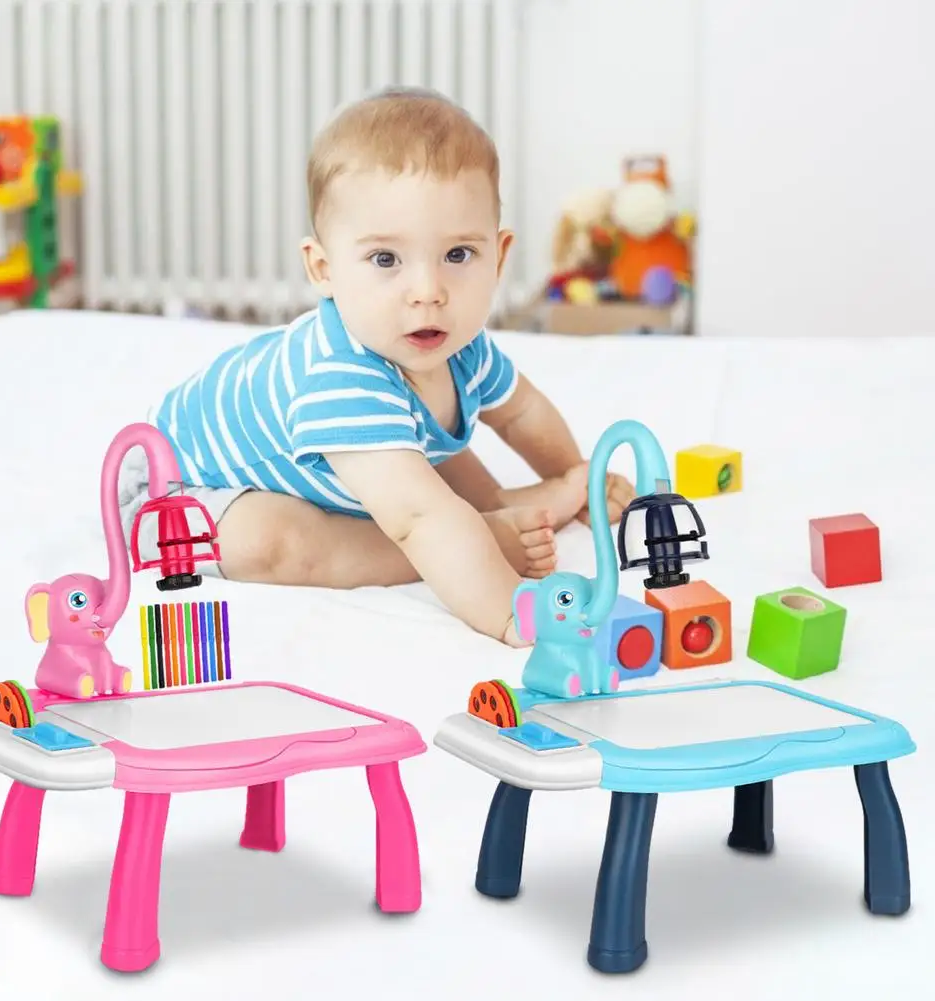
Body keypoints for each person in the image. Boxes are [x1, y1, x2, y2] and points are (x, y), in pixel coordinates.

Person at [120, 87, 634, 647]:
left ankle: (490, 508)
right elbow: (419, 520)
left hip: (341, 461)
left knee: (423, 430)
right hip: (177, 493)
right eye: (385, 259)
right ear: (324, 269)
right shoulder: (341, 378)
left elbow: (521, 412)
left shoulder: (458, 345)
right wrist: (510, 612)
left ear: (499, 256)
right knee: (275, 542)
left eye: (458, 255)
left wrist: (579, 480)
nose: (428, 291)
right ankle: (474, 534)